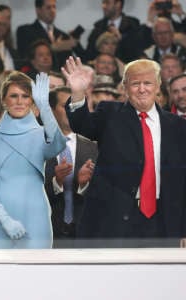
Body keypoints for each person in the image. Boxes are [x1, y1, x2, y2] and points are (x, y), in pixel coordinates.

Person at [62, 56, 186, 247]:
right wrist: (78, 93)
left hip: (164, 220)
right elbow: (82, 124)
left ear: (158, 86)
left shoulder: (177, 125)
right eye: (135, 83)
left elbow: (181, 180)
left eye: (147, 83)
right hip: (116, 220)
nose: (142, 89)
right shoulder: (110, 114)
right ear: (125, 87)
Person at [0, 72, 66, 249]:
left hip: (35, 214)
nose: (19, 101)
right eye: (14, 96)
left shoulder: (42, 134)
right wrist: (5, 219)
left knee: (36, 273)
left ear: (33, 101)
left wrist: (45, 107)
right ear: (3, 100)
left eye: (26, 96)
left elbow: (57, 145)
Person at [45, 86, 98, 247]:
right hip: (47, 234)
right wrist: (56, 182)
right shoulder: (38, 145)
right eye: (65, 106)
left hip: (85, 236)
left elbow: (103, 196)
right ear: (52, 110)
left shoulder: (94, 147)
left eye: (74, 107)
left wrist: (84, 184)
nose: (70, 112)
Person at [16, 0, 85, 71]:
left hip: (60, 78)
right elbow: (24, 55)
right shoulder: (25, 30)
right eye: (48, 7)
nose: (52, 10)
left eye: (54, 7)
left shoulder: (62, 35)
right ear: (38, 10)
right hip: (35, 77)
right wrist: (53, 47)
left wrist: (75, 41)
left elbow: (84, 58)